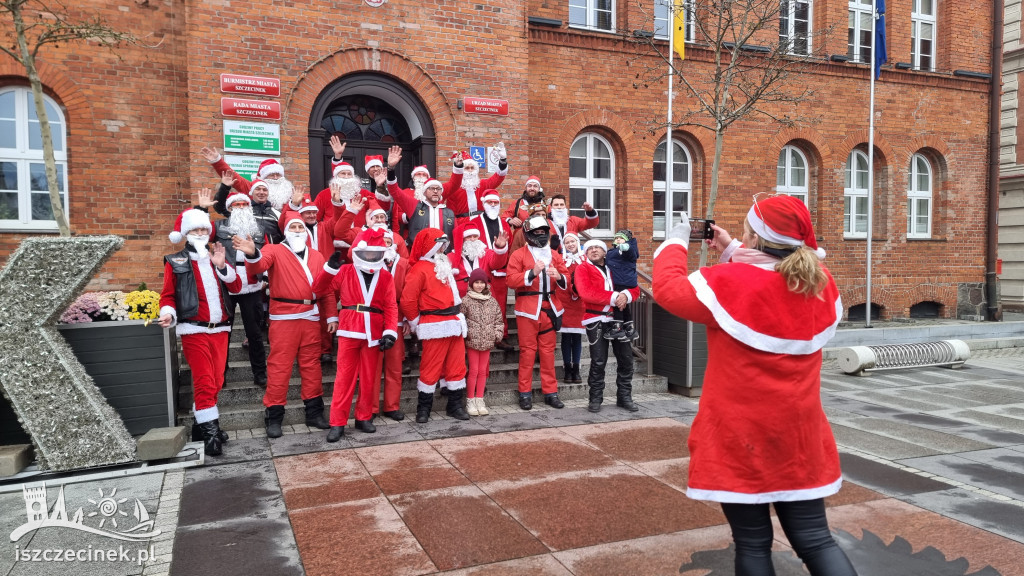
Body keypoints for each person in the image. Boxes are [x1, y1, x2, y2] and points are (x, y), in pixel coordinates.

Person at [652, 195, 855, 576]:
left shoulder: (725, 283)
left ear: (757, 238)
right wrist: (731, 247)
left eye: (747, 232)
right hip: (799, 434)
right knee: (815, 539)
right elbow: (772, 274)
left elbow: (667, 288)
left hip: (739, 435)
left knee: (752, 543)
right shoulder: (819, 283)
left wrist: (676, 239)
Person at [233, 218, 334, 439]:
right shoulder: (273, 250)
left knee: (312, 367)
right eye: (293, 227)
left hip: (311, 317)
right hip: (283, 318)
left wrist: (332, 316)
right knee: (279, 367)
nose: (297, 230)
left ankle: (314, 413)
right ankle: (274, 417)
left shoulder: (317, 256)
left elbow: (326, 289)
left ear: (305, 231)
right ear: (286, 231)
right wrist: (253, 253)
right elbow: (258, 266)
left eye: (301, 227)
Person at [159, 208, 242, 456]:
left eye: (203, 228)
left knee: (216, 381)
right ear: (186, 233)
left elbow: (236, 287)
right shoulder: (175, 261)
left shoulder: (217, 256)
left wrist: (222, 267)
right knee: (204, 381)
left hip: (221, 329)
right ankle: (211, 433)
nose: (200, 232)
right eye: (195, 229)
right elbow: (168, 294)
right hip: (193, 330)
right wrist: (168, 313)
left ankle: (200, 425)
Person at [313, 227, 398, 441]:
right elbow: (319, 289)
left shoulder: (385, 276)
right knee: (344, 378)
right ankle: (337, 422)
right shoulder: (345, 271)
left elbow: (391, 306)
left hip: (374, 332)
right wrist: (329, 269)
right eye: (366, 253)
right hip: (349, 328)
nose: (370, 257)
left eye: (374, 253)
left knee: (369, 378)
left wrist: (390, 332)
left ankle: (364, 417)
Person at [400, 228, 470, 423]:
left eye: (444, 246)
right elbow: (407, 300)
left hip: (454, 322)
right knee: (430, 368)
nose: (442, 250)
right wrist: (416, 323)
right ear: (429, 247)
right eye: (439, 246)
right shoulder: (419, 269)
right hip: (433, 324)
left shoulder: (443, 265)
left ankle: (455, 406)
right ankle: (423, 409)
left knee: (457, 366)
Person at [506, 214, 569, 410]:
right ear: (528, 234)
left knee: (548, 354)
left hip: (550, 308)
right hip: (528, 310)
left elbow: (567, 278)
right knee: (527, 353)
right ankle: (524, 393)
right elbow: (510, 280)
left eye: (543, 231)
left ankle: (551, 392)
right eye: (537, 232)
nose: (541, 235)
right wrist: (531, 273)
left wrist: (559, 276)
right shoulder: (519, 255)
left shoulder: (555, 254)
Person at [207, 188, 268, 387]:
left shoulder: (259, 228)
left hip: (252, 285)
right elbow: (199, 229)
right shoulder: (219, 226)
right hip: (226, 285)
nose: (241, 207)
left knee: (255, 334)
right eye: (237, 204)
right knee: (224, 332)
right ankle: (220, 374)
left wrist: (266, 277)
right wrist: (204, 207)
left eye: (244, 204)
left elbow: (268, 253)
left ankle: (260, 373)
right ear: (230, 208)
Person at [573, 239, 640, 412]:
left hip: (620, 320)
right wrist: (615, 297)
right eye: (590, 248)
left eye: (597, 247)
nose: (594, 250)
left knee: (626, 359)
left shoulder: (616, 266)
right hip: (596, 320)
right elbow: (585, 292)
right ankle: (595, 398)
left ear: (605, 252)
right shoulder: (582, 268)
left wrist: (626, 295)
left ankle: (624, 397)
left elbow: (634, 287)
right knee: (598, 361)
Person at [383, 145, 463, 236]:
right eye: (418, 174)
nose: (435, 191)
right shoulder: (412, 203)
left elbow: (454, 184)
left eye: (424, 174)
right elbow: (394, 190)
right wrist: (391, 169)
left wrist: (458, 166)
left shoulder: (442, 199)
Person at [469, 190, 515, 350]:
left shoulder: (504, 224)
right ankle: (481, 335)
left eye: (496, 202)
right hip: (482, 270)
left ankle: (500, 336)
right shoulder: (474, 222)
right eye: (490, 202)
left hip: (500, 271)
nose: (493, 205)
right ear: (484, 204)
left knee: (500, 305)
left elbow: (510, 245)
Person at [460, 268, 505, 416]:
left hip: (487, 341)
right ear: (471, 284)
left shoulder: (492, 301)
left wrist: (497, 334)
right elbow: (461, 319)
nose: (479, 285)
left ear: (486, 284)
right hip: (472, 341)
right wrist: (466, 334)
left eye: (482, 282)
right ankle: (470, 400)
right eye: (476, 282)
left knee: (482, 371)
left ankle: (480, 399)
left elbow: (498, 320)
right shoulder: (466, 301)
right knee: (473, 370)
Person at [201, 147, 295, 211]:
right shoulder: (253, 189)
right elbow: (234, 177)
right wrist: (218, 162)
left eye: (278, 175)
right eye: (271, 175)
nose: (275, 178)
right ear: (263, 178)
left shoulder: (290, 191)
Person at [378, 228, 410, 421]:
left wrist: (406, 318)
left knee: (395, 366)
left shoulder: (404, 264)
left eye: (388, 242)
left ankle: (392, 406)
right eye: (382, 241)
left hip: (396, 316)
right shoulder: (371, 261)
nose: (385, 244)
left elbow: (408, 292)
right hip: (374, 316)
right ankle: (370, 407)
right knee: (372, 367)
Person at [387, 176, 457, 249]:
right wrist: (391, 171)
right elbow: (395, 191)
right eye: (432, 188)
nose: (435, 191)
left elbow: (456, 236)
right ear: (424, 192)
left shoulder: (449, 213)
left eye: (438, 189)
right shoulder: (415, 207)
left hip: (444, 253)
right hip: (420, 252)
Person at [446, 144, 507, 223]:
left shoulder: (482, 184)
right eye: (467, 168)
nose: (470, 170)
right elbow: (451, 215)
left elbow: (497, 178)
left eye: (472, 168)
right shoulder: (454, 189)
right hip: (463, 224)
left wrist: (503, 160)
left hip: (482, 222)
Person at [449, 224, 508, 297]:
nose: (472, 239)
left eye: (475, 236)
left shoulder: (486, 253)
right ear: (462, 238)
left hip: (484, 293)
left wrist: (500, 248)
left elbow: (497, 264)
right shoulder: (451, 256)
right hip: (462, 295)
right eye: (469, 237)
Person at [558, 233, 586, 384]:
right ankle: (567, 368)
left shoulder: (585, 259)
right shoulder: (561, 260)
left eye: (572, 241)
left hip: (580, 302)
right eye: (567, 242)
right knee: (566, 336)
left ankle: (576, 368)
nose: (570, 244)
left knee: (577, 337)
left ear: (578, 242)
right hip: (565, 301)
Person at [605, 229, 640, 341]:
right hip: (621, 280)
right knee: (624, 306)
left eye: (621, 238)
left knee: (618, 303)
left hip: (623, 281)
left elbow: (631, 253)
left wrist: (625, 247)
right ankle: (630, 328)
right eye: (616, 238)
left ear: (626, 240)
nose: (618, 240)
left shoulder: (626, 249)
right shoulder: (615, 250)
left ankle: (617, 327)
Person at [502, 175, 546, 244]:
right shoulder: (517, 203)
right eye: (529, 186)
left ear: (539, 188)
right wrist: (510, 220)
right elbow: (503, 218)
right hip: (520, 240)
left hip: (541, 239)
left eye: (535, 186)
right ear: (526, 188)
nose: (532, 188)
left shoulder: (545, 204)